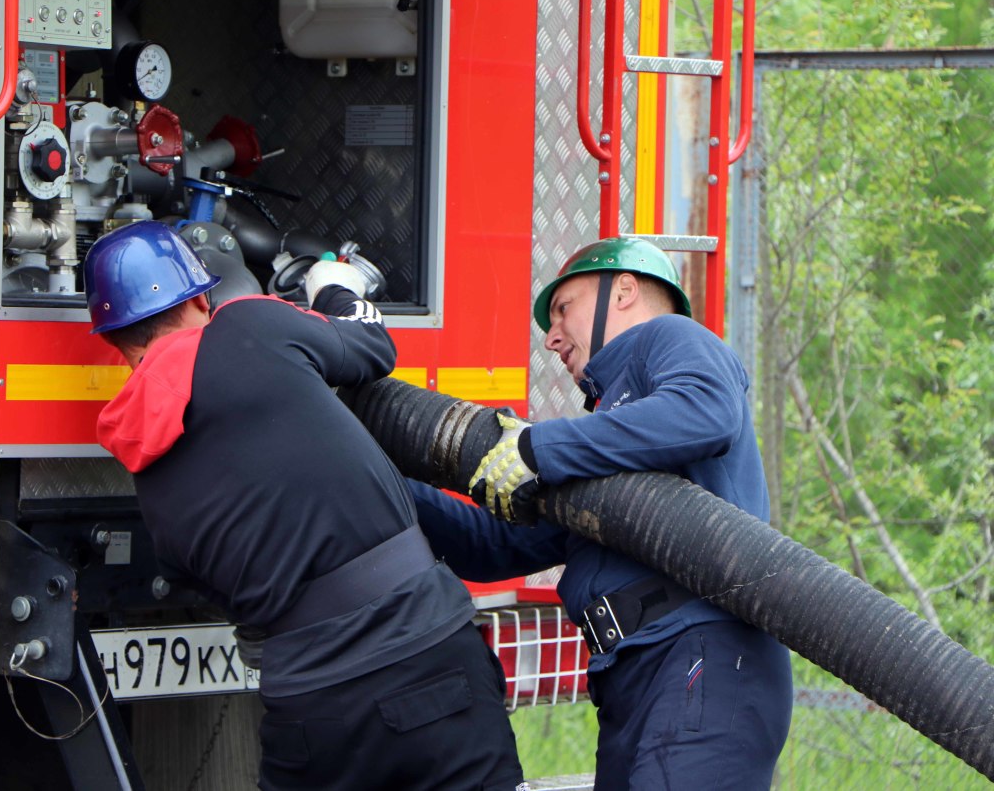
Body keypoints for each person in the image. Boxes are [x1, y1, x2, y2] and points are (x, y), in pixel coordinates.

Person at [86, 222, 526, 791]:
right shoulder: (248, 324)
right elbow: (372, 347)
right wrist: (333, 287)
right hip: (425, 662)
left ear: (113, 342)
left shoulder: (148, 483)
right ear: (199, 296)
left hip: (309, 713)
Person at [412, 236, 792, 789]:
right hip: (633, 674)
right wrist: (373, 477)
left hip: (704, 653)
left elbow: (705, 411)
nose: (552, 336)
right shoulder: (605, 441)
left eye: (564, 307)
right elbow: (491, 543)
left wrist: (536, 449)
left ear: (626, 292)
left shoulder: (671, 338)